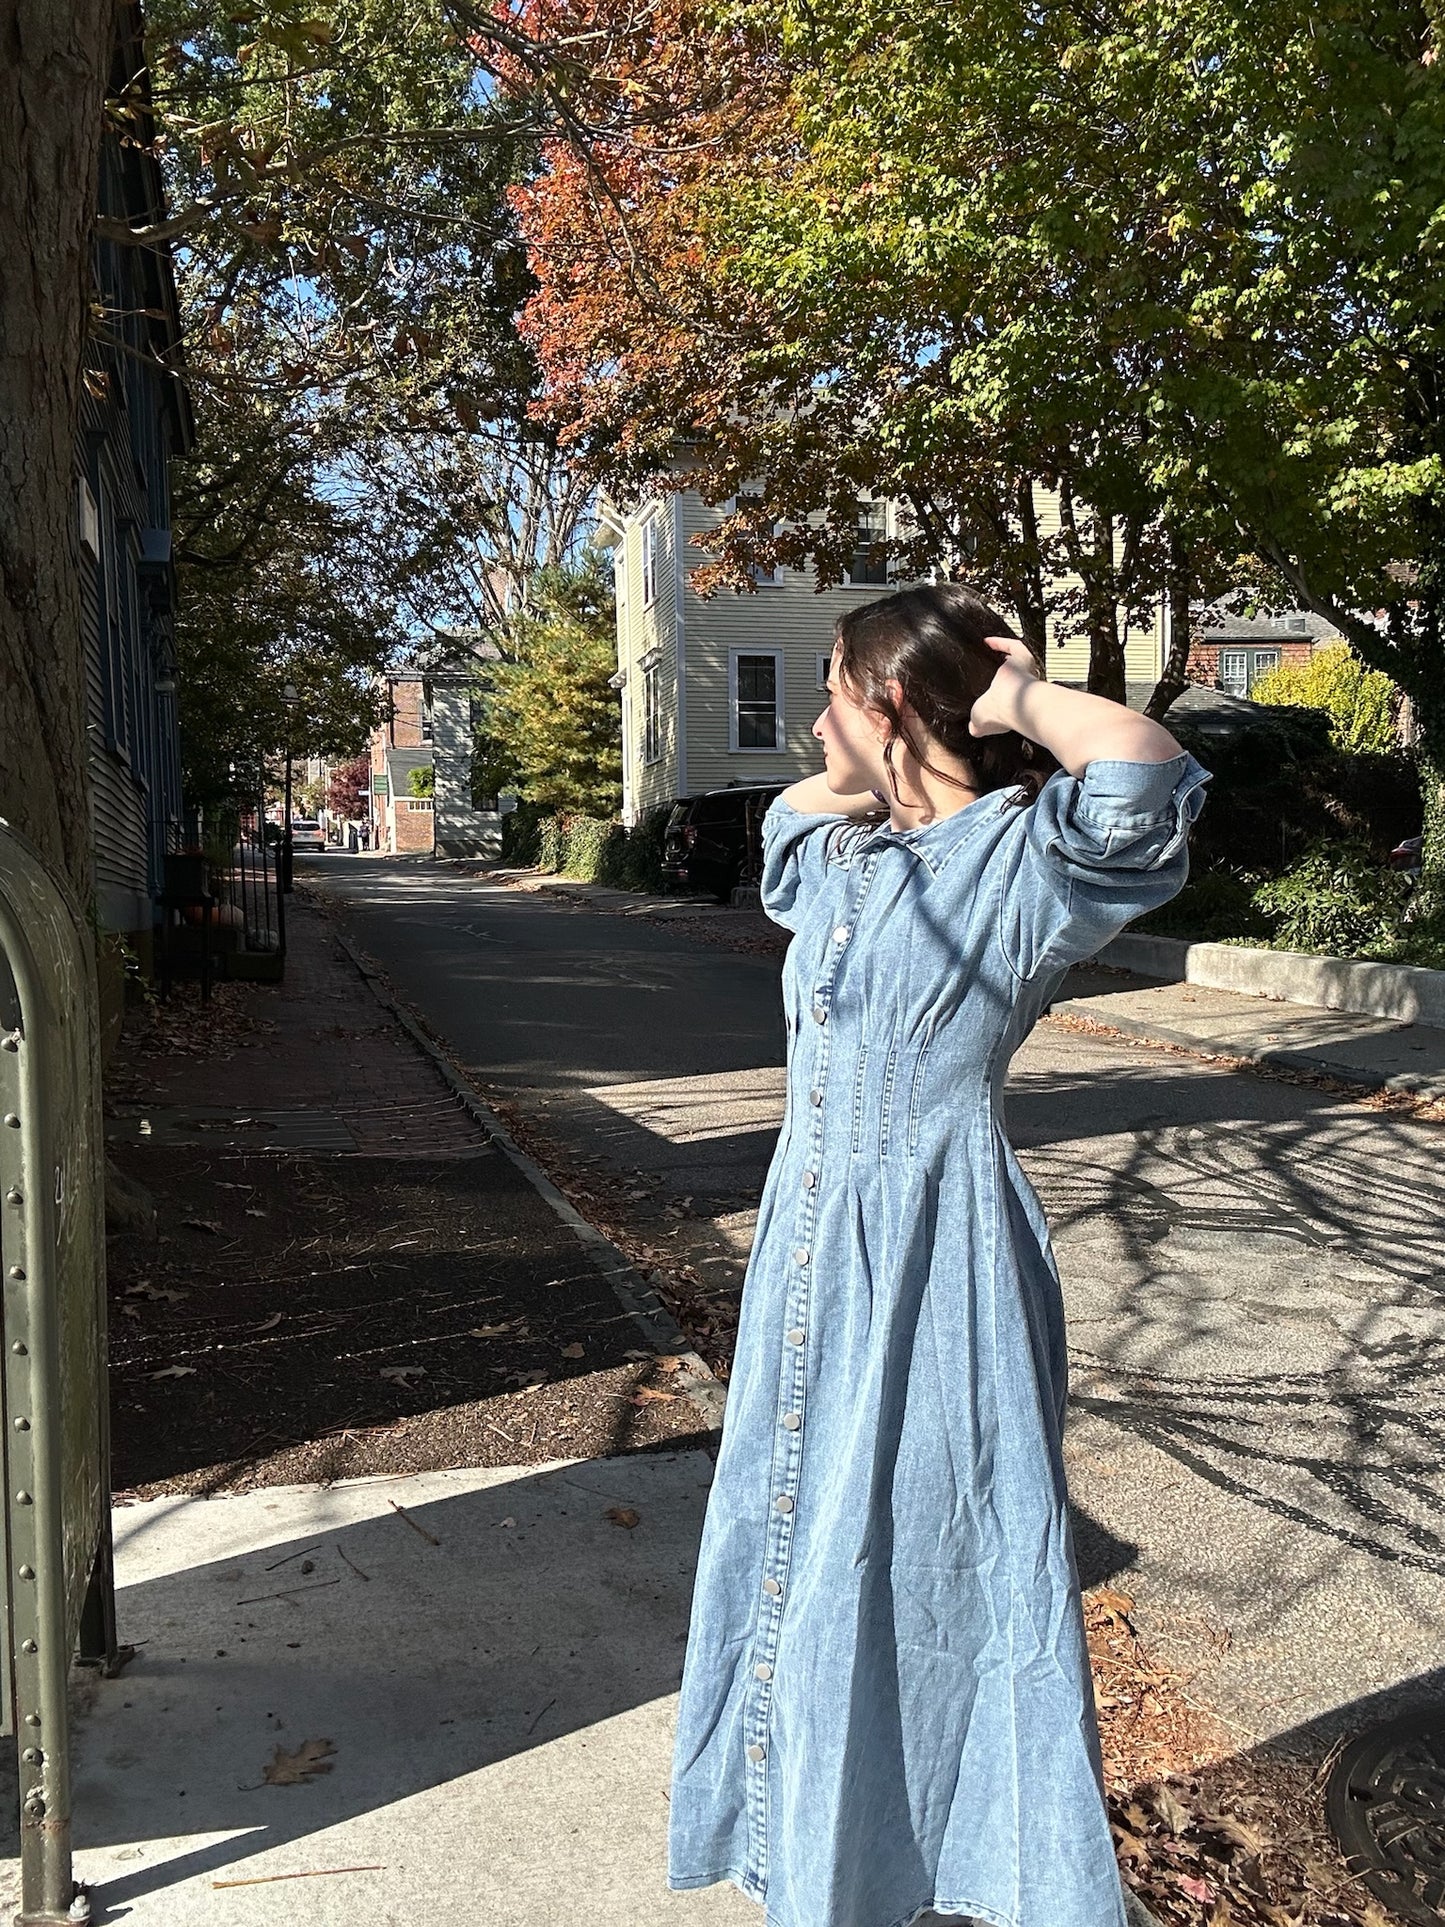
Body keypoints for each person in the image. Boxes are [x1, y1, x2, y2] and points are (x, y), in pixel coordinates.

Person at [668, 584, 1209, 1927]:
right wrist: (876, 770)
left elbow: (1141, 774)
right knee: (797, 1538)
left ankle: (968, 1862)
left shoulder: (1023, 865)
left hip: (937, 1247)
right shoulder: (844, 862)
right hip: (807, 1245)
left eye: (834, 690)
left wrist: (1011, 694)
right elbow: (796, 827)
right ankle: (819, 1853)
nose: (809, 724)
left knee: (933, 1560)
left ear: (893, 701)